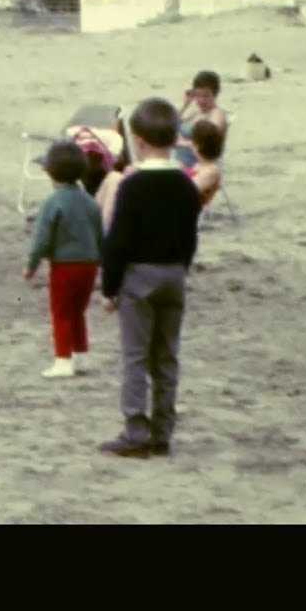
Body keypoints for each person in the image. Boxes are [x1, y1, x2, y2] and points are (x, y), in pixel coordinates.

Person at [98, 98, 203, 457]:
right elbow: (191, 237)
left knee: (135, 356)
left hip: (139, 276)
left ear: (138, 140)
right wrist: (181, 268)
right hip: (174, 273)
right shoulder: (187, 187)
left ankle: (136, 430)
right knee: (167, 355)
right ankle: (163, 430)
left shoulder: (133, 186)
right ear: (176, 138)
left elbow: (118, 242)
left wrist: (109, 288)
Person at [24, 142, 104, 379]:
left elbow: (41, 239)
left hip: (64, 267)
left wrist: (31, 266)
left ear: (50, 172)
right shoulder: (90, 201)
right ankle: (81, 355)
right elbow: (100, 234)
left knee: (61, 312)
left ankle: (63, 359)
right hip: (89, 266)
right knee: (78, 311)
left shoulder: (53, 202)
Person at [176, 70, 228, 168]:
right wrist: (185, 104)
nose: (201, 100)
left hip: (204, 170)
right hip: (184, 169)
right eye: (198, 95)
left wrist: (181, 142)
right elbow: (170, 125)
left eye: (206, 96)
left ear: (215, 94)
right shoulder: (194, 112)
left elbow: (209, 142)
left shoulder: (217, 114)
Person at [185, 119, 224, 210]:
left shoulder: (210, 171)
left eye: (193, 140)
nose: (191, 144)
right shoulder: (202, 165)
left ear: (198, 145)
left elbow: (187, 191)